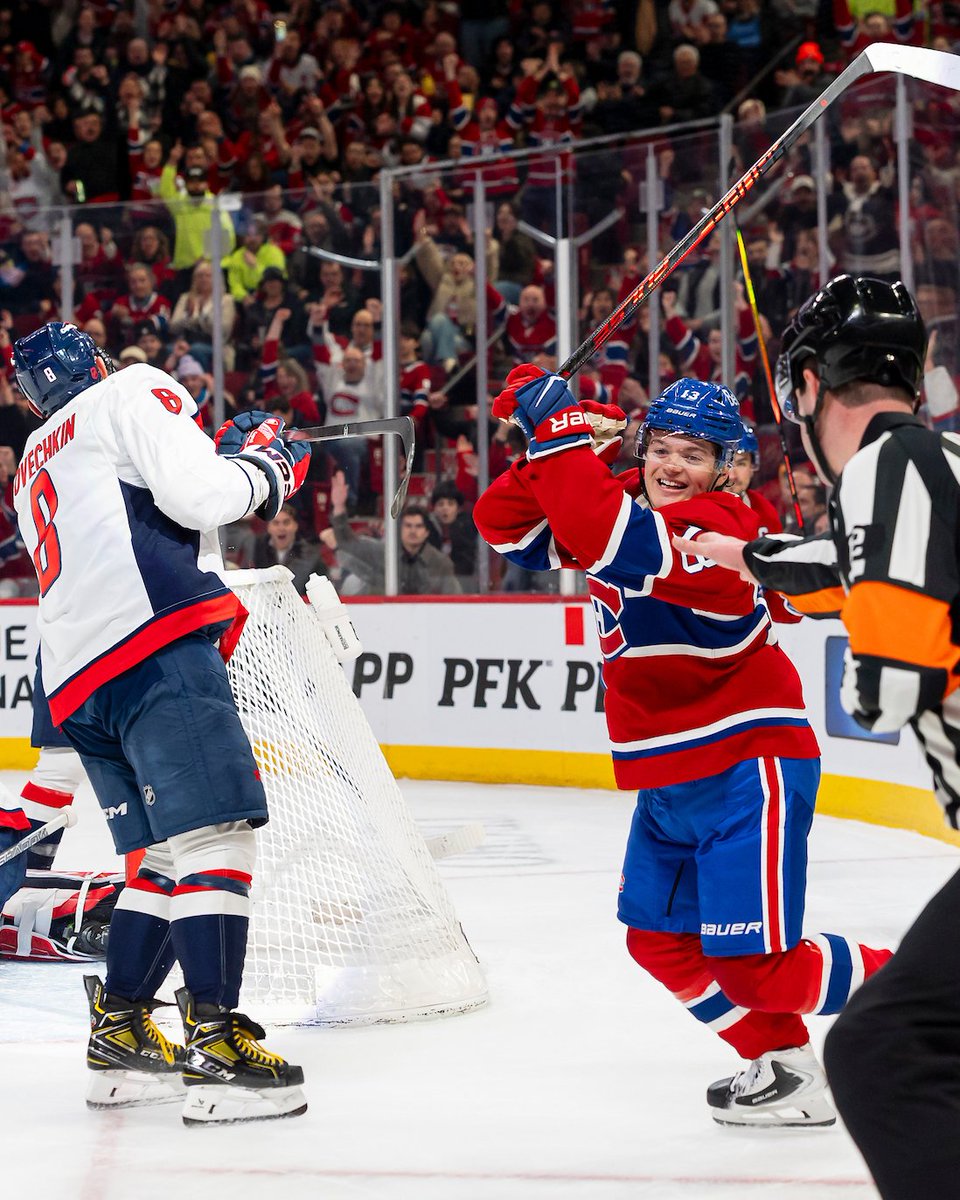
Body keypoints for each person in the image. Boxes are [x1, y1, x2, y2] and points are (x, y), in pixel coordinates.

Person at [474, 368, 890, 1126]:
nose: (671, 465)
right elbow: (505, 527)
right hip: (671, 777)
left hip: (745, 765)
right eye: (659, 447)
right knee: (660, 942)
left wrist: (560, 433)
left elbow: (604, 535)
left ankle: (933, 991)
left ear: (728, 467)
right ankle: (786, 1067)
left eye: (693, 453)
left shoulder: (724, 529)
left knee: (759, 967)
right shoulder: (630, 511)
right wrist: (558, 444)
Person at [671, 275, 959, 1194]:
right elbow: (850, 567)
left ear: (803, 387)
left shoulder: (886, 465)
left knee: (885, 1049)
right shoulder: (940, 460)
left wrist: (859, 670)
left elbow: (891, 683)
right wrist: (749, 556)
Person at [10, 321, 311, 1125]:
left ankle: (122, 1032)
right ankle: (216, 1046)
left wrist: (217, 457)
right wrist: (269, 469)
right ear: (99, 365)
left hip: (76, 684)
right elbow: (202, 497)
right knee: (218, 840)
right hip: (153, 647)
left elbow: (143, 503)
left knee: (167, 857)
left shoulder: (35, 457)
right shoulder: (131, 388)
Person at [725, 424, 782, 534]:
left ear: (752, 466)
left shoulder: (766, 510)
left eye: (741, 464)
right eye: (726, 464)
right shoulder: (697, 511)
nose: (732, 476)